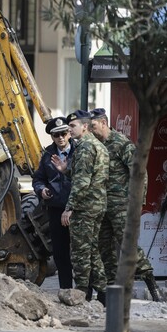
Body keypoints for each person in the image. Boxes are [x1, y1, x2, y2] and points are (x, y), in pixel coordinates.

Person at [89, 107, 161, 301]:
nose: (90, 129)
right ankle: (111, 292)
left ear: (103, 123)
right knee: (104, 249)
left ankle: (152, 286)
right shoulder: (95, 145)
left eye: (93, 125)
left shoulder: (121, 143)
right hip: (102, 206)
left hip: (121, 206)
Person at [52, 110, 109, 305]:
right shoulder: (97, 145)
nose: (69, 130)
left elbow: (82, 182)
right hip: (97, 204)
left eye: (73, 126)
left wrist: (69, 208)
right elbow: (88, 176)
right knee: (92, 250)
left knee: (80, 253)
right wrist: (66, 171)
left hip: (85, 207)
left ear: (85, 126)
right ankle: (103, 292)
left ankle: (83, 293)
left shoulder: (84, 147)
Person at [32, 117, 75, 289]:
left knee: (83, 253)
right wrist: (41, 190)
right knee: (60, 252)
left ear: (69, 134)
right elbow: (38, 179)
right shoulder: (48, 154)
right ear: (52, 137)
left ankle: (86, 293)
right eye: (56, 135)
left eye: (64, 133)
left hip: (77, 209)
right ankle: (66, 289)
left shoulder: (80, 151)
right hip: (56, 209)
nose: (61, 138)